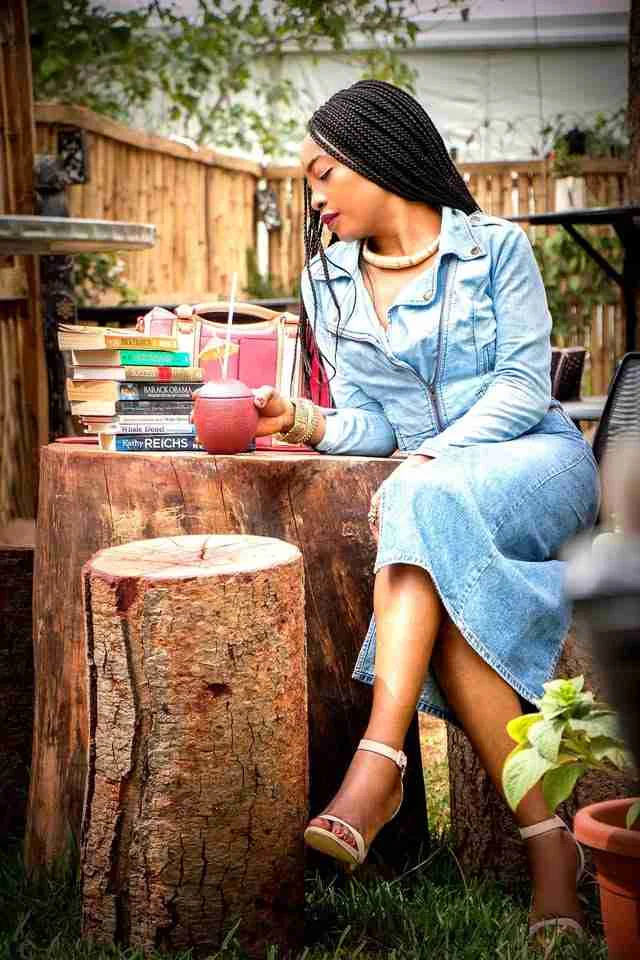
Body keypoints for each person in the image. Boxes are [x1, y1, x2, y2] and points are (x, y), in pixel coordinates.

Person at [251, 80, 599, 941]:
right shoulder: (328, 282)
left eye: (324, 175)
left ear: (378, 159)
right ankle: (550, 850)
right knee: (433, 539)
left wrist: (434, 456)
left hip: (537, 463)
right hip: (432, 491)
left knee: (420, 494)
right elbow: (375, 422)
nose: (314, 199)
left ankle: (378, 762)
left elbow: (523, 389)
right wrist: (303, 421)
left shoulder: (497, 249)